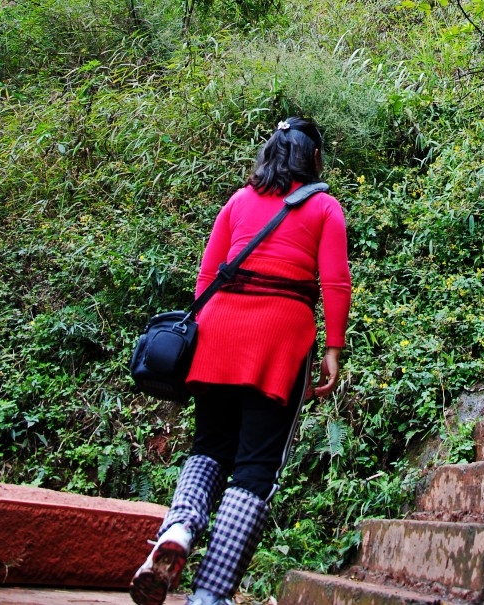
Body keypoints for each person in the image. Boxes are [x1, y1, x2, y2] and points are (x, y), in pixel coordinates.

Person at [130, 118, 351, 605]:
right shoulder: (324, 207)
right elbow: (335, 283)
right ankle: (211, 592)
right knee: (256, 466)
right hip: (279, 340)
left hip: (218, 335)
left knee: (209, 446)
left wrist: (214, 335)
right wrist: (332, 348)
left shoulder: (239, 200)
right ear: (313, 159)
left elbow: (208, 273)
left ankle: (180, 530)